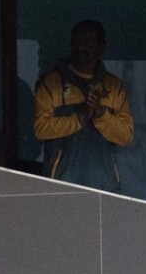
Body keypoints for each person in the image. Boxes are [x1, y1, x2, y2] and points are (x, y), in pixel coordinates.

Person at [34, 20, 134, 193]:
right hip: (61, 185)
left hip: (104, 187)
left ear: (101, 47)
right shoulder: (51, 82)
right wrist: (79, 118)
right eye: (76, 40)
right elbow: (40, 129)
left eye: (87, 40)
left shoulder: (113, 86)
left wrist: (101, 113)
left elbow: (126, 136)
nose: (80, 45)